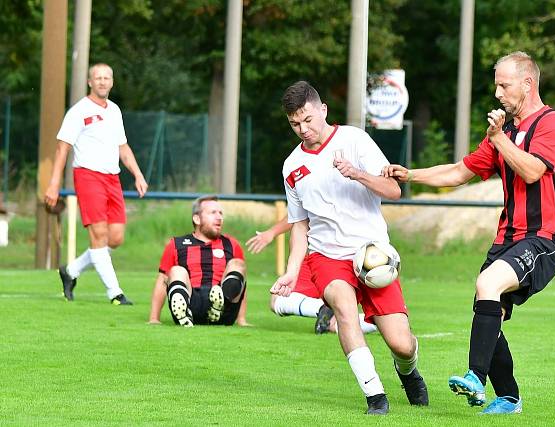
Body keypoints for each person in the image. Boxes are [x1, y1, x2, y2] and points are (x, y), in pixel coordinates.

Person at [383, 51, 555, 415]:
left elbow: (533, 170)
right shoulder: (505, 132)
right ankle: (509, 398)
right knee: (489, 311)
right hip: (508, 237)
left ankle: (475, 376)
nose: (498, 92)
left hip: (546, 238)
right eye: (496, 84)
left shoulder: (552, 122)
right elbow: (458, 172)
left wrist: (500, 139)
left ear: (527, 84)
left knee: (487, 286)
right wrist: (410, 175)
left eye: (504, 84)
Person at [270, 81, 428, 415]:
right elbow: (300, 225)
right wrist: (291, 271)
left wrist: (356, 174)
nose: (303, 128)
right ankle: (375, 396)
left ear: (323, 109)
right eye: (294, 123)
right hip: (326, 256)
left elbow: (394, 190)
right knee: (343, 308)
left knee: (400, 343)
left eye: (308, 119)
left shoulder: (354, 140)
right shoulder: (291, 166)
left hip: (373, 255)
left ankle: (408, 370)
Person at [44, 63, 147, 305]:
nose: (102, 81)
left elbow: (123, 147)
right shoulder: (78, 111)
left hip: (113, 178)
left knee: (116, 238)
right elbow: (62, 147)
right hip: (88, 176)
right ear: (90, 82)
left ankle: (70, 271)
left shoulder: (114, 111)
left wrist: (138, 174)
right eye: (97, 78)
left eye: (106, 78)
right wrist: (54, 183)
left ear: (112, 82)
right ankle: (115, 293)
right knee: (99, 235)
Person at [247, 217, 378, 335]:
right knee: (334, 323)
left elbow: (300, 215)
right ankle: (386, 323)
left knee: (278, 299)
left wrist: (272, 232)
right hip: (340, 257)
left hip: (324, 257)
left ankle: (322, 308)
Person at [148, 195, 247, 327]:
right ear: (197, 219)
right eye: (213, 213)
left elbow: (241, 285)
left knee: (238, 265)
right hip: (192, 301)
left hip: (224, 308)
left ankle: (217, 305)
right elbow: (162, 281)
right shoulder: (176, 244)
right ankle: (184, 313)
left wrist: (241, 320)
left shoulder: (231, 244)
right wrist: (154, 318)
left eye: (220, 213)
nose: (219, 217)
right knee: (176, 270)